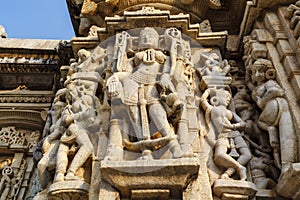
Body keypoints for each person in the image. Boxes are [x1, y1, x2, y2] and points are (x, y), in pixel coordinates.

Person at [106, 28, 183, 159]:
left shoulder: (164, 57)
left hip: (153, 85)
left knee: (156, 111)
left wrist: (165, 77)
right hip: (133, 83)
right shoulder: (135, 59)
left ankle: (174, 145)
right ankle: (145, 150)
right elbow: (127, 73)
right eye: (144, 38)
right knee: (134, 115)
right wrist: (115, 77)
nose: (147, 39)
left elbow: (170, 71)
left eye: (151, 37)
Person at [246, 58, 296, 172]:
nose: (257, 75)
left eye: (260, 71)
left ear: (268, 72)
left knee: (285, 135)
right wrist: (249, 68)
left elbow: (277, 91)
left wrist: (261, 102)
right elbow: (248, 82)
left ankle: (270, 130)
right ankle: (270, 130)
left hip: (273, 107)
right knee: (284, 134)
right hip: (273, 109)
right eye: (254, 72)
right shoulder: (256, 88)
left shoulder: (269, 83)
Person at [201, 88, 251, 180]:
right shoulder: (211, 109)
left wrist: (233, 126)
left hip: (235, 134)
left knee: (247, 155)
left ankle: (229, 172)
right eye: (225, 96)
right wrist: (209, 90)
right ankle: (239, 167)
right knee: (219, 155)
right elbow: (203, 100)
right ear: (217, 98)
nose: (228, 99)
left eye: (229, 97)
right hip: (222, 135)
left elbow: (243, 123)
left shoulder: (230, 112)